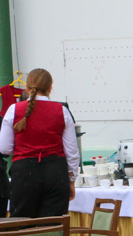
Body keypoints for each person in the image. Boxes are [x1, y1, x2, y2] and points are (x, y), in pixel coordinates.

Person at [0, 68, 79, 217]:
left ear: (26, 88)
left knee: (23, 225)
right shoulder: (62, 111)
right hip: (56, 173)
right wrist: (72, 180)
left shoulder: (13, 110)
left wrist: (24, 148)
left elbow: (4, 148)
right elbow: (72, 152)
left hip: (24, 173)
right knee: (54, 227)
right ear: (50, 88)